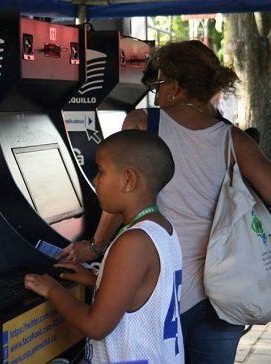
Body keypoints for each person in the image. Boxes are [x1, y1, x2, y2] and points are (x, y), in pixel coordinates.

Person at [59, 40, 271, 364]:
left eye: (158, 85)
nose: (156, 94)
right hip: (222, 290)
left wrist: (96, 247)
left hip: (160, 286)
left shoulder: (144, 122)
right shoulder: (230, 137)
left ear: (175, 85)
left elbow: (122, 199)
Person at [25, 130, 184, 363]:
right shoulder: (162, 229)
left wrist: (52, 290)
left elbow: (96, 326)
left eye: (101, 171)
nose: (95, 180)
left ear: (128, 180)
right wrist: (95, 280)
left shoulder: (133, 242)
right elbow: (143, 293)